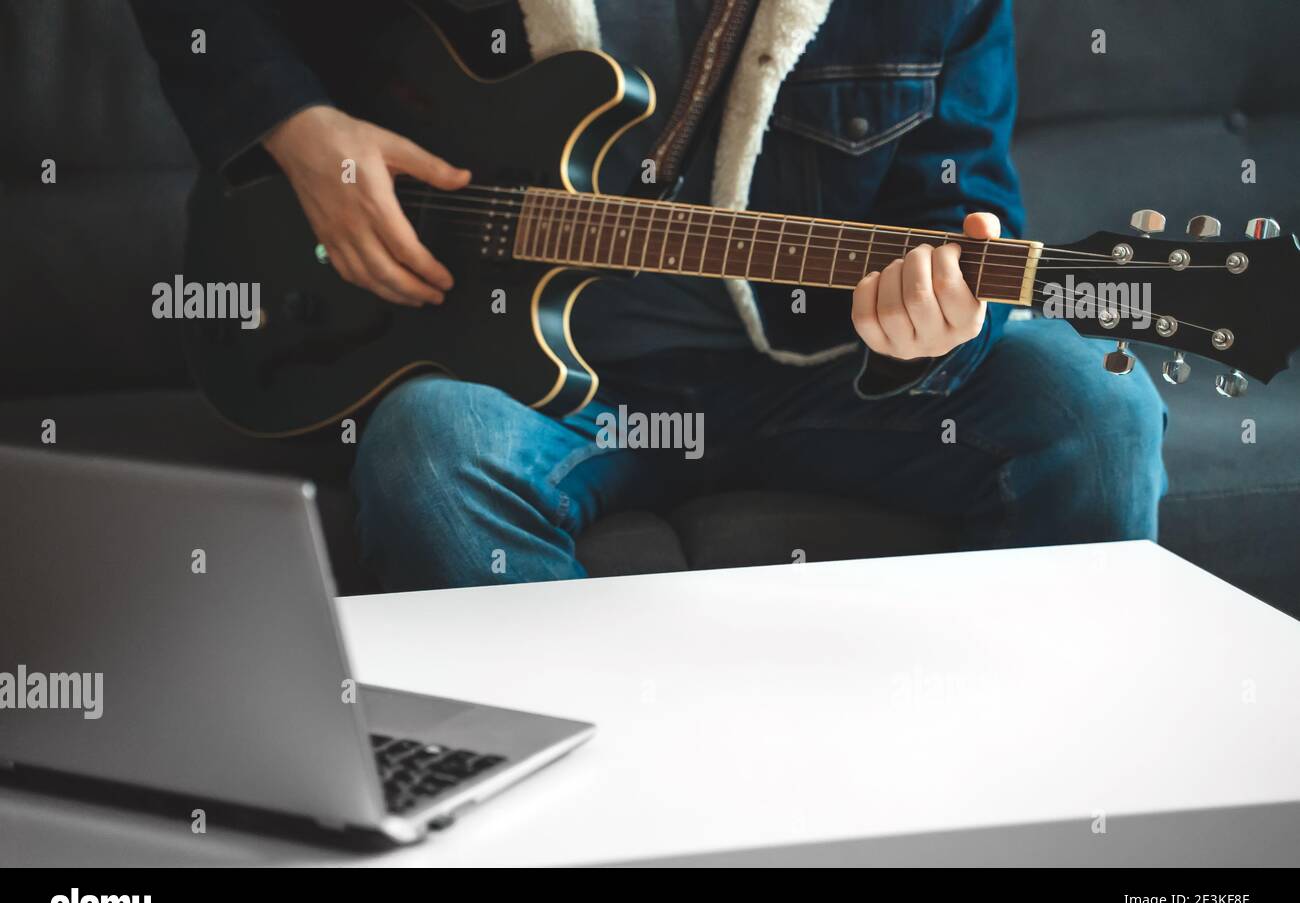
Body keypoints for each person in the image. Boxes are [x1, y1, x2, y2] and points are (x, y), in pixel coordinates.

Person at [130, 0, 1166, 591]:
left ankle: (1050, 782)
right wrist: (303, 131)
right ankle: (559, 811)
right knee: (428, 444)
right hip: (536, 381)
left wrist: (926, 318)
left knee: (1098, 407)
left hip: (826, 377)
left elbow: (957, 203)